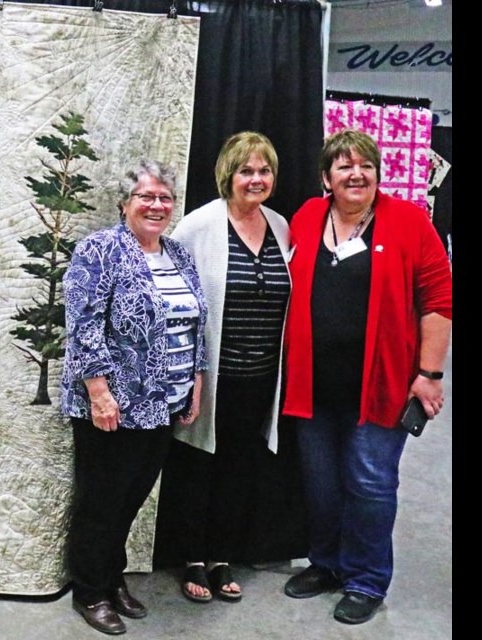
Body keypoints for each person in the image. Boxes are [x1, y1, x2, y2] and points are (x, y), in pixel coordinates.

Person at [281, 129, 452, 624]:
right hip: (313, 385)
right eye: (344, 166)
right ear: (326, 178)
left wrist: (430, 374)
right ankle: (327, 564)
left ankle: (366, 579)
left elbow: (439, 303)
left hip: (382, 384)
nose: (356, 174)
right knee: (321, 484)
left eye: (366, 166)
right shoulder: (310, 217)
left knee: (370, 484)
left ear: (378, 173)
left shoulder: (408, 222)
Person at [61, 160, 208, 635]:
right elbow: (83, 326)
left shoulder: (179, 254)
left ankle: (111, 576)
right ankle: (89, 590)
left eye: (165, 198)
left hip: (164, 402)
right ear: (125, 202)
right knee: (101, 501)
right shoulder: (100, 250)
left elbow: (196, 322)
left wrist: (196, 384)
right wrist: (100, 393)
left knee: (131, 499)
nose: (157, 205)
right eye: (147, 196)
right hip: (114, 405)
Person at [157, 131, 303, 605]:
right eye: (246, 171)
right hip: (209, 378)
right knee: (198, 466)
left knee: (241, 465)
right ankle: (192, 558)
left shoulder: (281, 227)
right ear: (229, 175)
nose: (256, 179)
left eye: (264, 171)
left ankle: (222, 556)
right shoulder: (198, 226)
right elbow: (171, 297)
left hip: (260, 378)